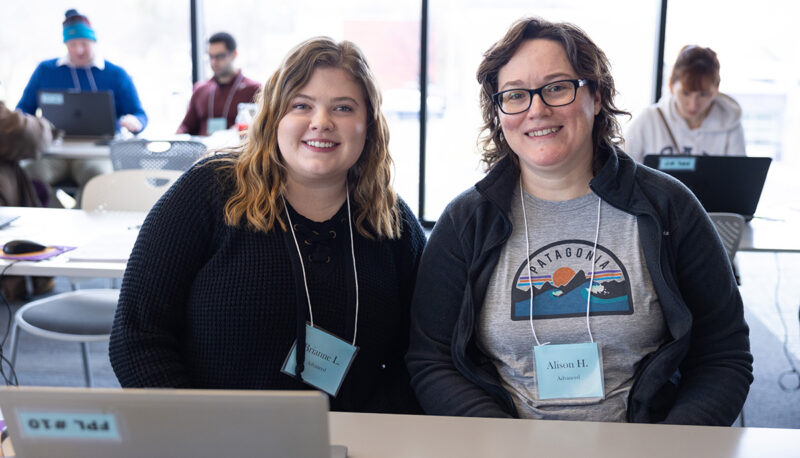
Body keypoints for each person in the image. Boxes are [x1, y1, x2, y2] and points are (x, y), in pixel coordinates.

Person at [406, 17, 752, 425]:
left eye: (556, 88)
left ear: (597, 95)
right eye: (515, 95)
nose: (536, 109)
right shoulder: (467, 221)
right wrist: (500, 442)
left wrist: (669, 447)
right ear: (499, 111)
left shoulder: (669, 207)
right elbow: (431, 359)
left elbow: (723, 354)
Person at [109, 37, 425, 414]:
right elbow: (137, 336)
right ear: (274, 116)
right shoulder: (209, 193)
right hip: (218, 440)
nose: (321, 123)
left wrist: (376, 429)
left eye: (343, 107)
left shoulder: (393, 223)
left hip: (354, 441)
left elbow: (421, 354)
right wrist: (192, 431)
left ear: (369, 124)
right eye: (301, 105)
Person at [16, 9, 147, 190]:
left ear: (93, 41)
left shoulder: (116, 74)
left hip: (96, 154)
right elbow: (23, 109)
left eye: (84, 44)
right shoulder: (45, 71)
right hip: (54, 152)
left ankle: (80, 217)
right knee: (28, 176)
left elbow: (139, 114)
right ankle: (57, 217)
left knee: (99, 180)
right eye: (72, 45)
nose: (78, 50)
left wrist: (135, 122)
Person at [624, 45, 746, 161]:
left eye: (703, 95)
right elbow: (621, 169)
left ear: (716, 89)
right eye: (686, 93)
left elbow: (740, 177)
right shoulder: (648, 120)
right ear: (671, 85)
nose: (693, 105)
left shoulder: (730, 124)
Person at [0, 100, 56, 300]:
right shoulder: (45, 69)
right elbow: (22, 132)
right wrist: (46, 125)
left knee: (36, 186)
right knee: (30, 184)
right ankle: (27, 277)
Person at [177, 32, 260, 136]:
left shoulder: (253, 89)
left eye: (220, 56)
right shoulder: (200, 89)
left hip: (235, 150)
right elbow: (186, 126)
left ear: (234, 54)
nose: (214, 62)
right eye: (210, 56)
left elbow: (261, 128)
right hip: (203, 150)